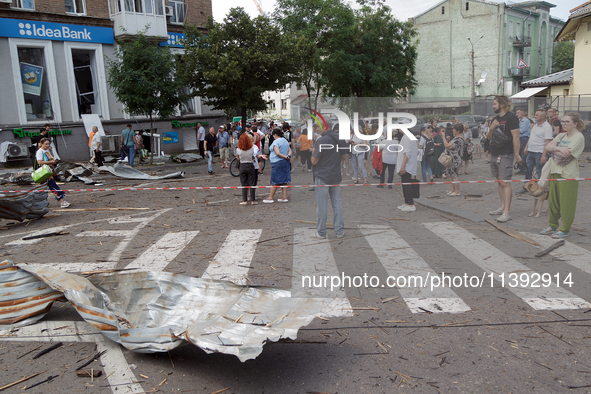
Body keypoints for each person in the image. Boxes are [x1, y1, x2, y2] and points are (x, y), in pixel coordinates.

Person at [540, 112, 585, 238]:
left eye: (567, 122)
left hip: (568, 174)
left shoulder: (579, 137)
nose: (564, 124)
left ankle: (565, 228)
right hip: (555, 171)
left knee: (567, 203)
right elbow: (548, 147)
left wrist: (554, 150)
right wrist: (558, 149)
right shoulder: (561, 135)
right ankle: (552, 225)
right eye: (563, 121)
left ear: (575, 124)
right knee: (553, 201)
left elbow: (567, 154)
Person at [486, 95, 522, 223]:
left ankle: (507, 212)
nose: (493, 106)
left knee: (505, 182)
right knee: (499, 182)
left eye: (495, 103)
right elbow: (489, 137)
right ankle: (502, 207)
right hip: (494, 153)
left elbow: (516, 136)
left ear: (502, 104)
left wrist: (517, 154)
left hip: (506, 154)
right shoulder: (495, 119)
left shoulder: (511, 118)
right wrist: (491, 128)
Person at [310, 124, 346, 239]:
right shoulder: (340, 138)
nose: (318, 129)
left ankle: (321, 232)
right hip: (335, 175)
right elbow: (344, 157)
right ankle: (339, 231)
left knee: (322, 205)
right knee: (337, 204)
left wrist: (313, 153)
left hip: (322, 176)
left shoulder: (321, 140)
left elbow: (314, 161)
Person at [36, 138, 70, 208]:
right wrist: (51, 162)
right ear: (41, 144)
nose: (47, 145)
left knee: (43, 188)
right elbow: (39, 162)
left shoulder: (47, 150)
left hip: (49, 171)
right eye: (46, 144)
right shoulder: (40, 152)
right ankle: (61, 202)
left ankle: (42, 204)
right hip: (44, 173)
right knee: (53, 186)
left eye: (48, 144)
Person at [522, 109, 553, 183]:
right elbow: (531, 137)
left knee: (540, 171)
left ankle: (540, 187)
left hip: (539, 152)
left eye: (537, 115)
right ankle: (526, 186)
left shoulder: (547, 127)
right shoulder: (535, 125)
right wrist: (527, 147)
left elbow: (548, 142)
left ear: (542, 116)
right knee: (528, 170)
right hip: (531, 151)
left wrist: (544, 155)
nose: (535, 116)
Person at [263, 129, 291, 203]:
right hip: (285, 162)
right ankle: (284, 196)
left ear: (275, 134)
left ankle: (270, 197)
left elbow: (277, 153)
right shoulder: (285, 140)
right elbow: (289, 150)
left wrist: (284, 156)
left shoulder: (276, 142)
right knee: (284, 180)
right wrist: (288, 156)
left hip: (277, 162)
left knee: (274, 180)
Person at [440, 124, 465, 196]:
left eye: (454, 129)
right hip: (452, 159)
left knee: (454, 175)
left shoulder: (458, 139)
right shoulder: (456, 138)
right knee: (451, 174)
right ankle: (453, 189)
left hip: (455, 159)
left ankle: (457, 191)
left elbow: (447, 146)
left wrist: (443, 138)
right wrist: (447, 140)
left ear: (458, 131)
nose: (452, 130)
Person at [397, 131, 418, 211]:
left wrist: (403, 166)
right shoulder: (408, 136)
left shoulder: (406, 138)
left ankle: (411, 204)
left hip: (407, 166)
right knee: (404, 184)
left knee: (407, 184)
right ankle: (407, 202)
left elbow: (407, 153)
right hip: (408, 165)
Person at [236, 133, 257, 205]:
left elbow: (238, 158)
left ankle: (245, 200)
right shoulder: (251, 148)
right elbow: (253, 157)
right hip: (250, 165)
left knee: (244, 184)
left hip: (242, 166)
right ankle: (253, 200)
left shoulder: (238, 149)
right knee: (252, 183)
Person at [515, 109, 531, 174]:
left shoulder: (526, 121)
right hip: (519, 138)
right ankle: (521, 168)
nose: (517, 114)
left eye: (518, 112)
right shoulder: (519, 121)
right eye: (516, 113)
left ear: (523, 113)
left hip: (524, 138)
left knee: (523, 153)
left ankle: (525, 169)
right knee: (518, 153)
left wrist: (514, 132)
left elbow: (521, 131)